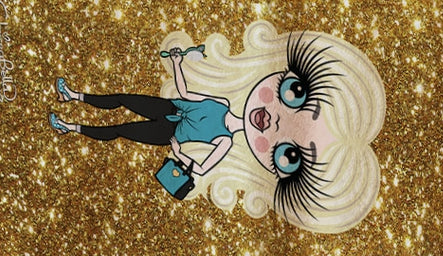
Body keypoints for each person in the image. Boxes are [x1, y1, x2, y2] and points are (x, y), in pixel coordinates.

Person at [49, 20, 386, 234]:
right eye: (294, 92)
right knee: (123, 99)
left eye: (289, 156)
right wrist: (178, 63)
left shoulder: (225, 142)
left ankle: (69, 127)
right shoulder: (223, 102)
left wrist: (180, 153)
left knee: (121, 130)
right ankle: (74, 95)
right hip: (171, 108)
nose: (277, 122)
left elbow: (200, 168)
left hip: (170, 134)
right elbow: (186, 93)